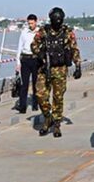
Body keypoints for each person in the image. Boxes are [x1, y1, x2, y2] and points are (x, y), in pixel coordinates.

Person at [31, 7, 82, 138]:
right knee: (40, 95)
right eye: (55, 20)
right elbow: (33, 45)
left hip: (60, 69)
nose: (58, 22)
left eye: (59, 20)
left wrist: (78, 66)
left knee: (58, 98)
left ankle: (57, 123)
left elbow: (74, 49)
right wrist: (39, 53)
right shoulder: (44, 31)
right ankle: (48, 117)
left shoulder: (67, 32)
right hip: (44, 68)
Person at [14, 14, 40, 113]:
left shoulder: (39, 32)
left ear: (36, 22)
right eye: (29, 23)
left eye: (32, 23)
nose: (30, 25)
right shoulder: (24, 32)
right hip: (25, 59)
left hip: (35, 59)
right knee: (24, 84)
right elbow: (19, 47)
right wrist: (18, 62)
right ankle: (22, 106)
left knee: (35, 83)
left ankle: (35, 104)